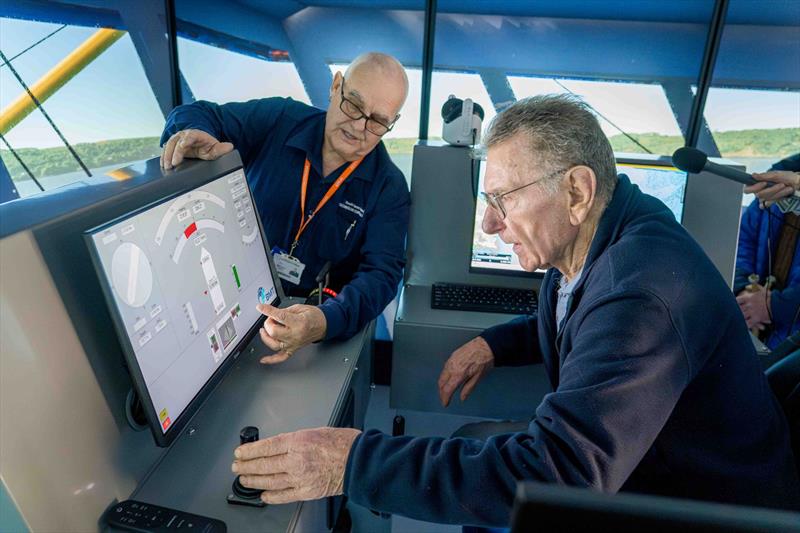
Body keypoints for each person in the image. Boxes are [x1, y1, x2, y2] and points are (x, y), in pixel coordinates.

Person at [229, 95, 800, 526]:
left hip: (695, 506)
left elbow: (556, 475)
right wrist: (495, 343)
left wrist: (349, 463)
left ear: (576, 191)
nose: (489, 225)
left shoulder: (644, 292)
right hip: (645, 466)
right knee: (479, 441)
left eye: (502, 200)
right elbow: (579, 316)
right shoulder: (615, 224)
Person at [159, 52, 410, 363]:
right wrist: (195, 135)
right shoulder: (279, 119)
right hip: (230, 296)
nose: (359, 126)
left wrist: (323, 322)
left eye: (377, 121)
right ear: (335, 87)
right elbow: (197, 113)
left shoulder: (390, 186)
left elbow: (381, 275)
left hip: (314, 322)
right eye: (354, 105)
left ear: (392, 123)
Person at [735, 153, 800, 349]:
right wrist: (743, 291)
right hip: (756, 323)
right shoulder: (773, 187)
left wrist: (775, 306)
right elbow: (744, 241)